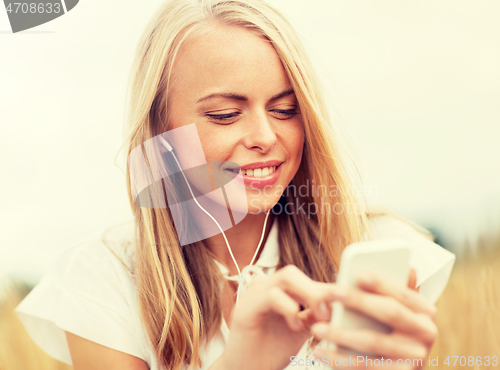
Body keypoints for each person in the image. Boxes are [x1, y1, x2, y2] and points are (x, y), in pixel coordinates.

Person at [15, 0, 456, 369]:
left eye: (285, 110)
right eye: (226, 114)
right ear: (158, 130)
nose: (266, 137)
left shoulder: (372, 246)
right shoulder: (103, 280)